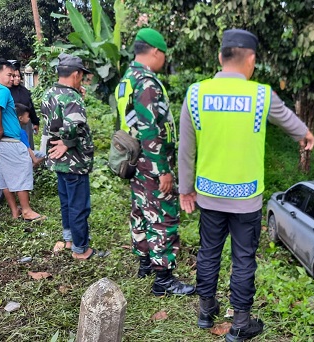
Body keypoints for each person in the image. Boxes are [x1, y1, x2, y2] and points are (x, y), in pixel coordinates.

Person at [178, 29, 314, 342]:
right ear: (251, 59)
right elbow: (290, 122)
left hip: (209, 197)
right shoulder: (261, 95)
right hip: (246, 200)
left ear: (220, 57)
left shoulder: (196, 94)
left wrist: (186, 189)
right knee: (243, 259)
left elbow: (186, 149)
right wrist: (305, 135)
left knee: (209, 253)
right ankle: (240, 323)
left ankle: (205, 310)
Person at [115, 28, 195, 296]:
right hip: (152, 160)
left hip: (136, 159)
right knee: (162, 215)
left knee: (141, 211)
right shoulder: (147, 82)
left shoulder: (127, 78)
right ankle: (163, 280)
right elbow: (150, 130)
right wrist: (163, 170)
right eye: (164, 55)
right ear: (155, 52)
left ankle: (145, 263)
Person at [40, 53, 95, 260]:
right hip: (75, 162)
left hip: (59, 162)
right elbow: (72, 125)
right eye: (82, 75)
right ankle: (81, 250)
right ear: (76, 74)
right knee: (79, 205)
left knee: (66, 202)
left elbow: (52, 120)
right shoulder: (72, 98)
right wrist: (67, 142)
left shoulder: (49, 93)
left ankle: (69, 239)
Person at [0, 58, 45, 221]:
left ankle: (15, 211)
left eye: (14, 75)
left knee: (4, 178)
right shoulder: (2, 90)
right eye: (9, 75)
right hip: (7, 141)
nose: (12, 79)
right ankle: (26, 211)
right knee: (22, 168)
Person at [9, 63, 39, 150]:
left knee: (28, 142)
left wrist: (35, 121)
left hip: (26, 122)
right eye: (14, 76)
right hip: (12, 122)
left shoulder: (24, 90)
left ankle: (31, 160)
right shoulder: (6, 91)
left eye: (19, 76)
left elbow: (31, 106)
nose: (17, 78)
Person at [15, 103, 45, 167]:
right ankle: (30, 166)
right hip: (23, 154)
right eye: (28, 116)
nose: (29, 118)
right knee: (44, 155)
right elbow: (28, 148)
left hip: (15, 154)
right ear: (20, 118)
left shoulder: (11, 130)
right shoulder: (22, 132)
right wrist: (35, 160)